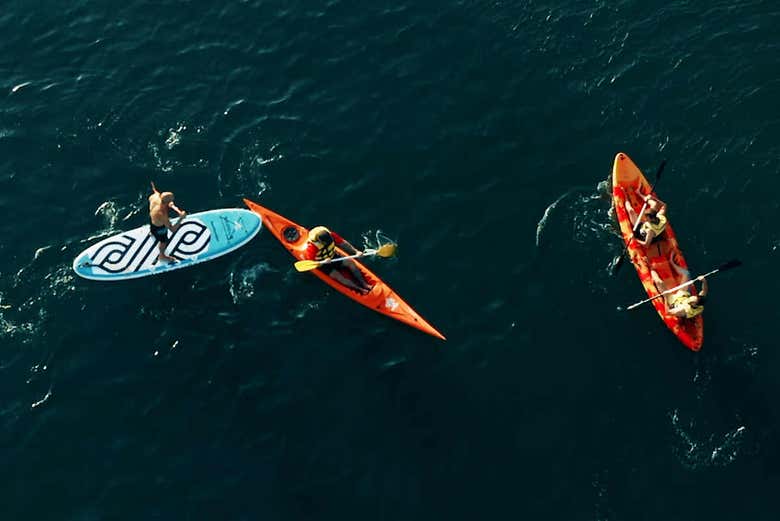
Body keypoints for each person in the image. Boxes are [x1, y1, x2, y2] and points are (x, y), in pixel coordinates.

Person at [304, 226, 373, 294]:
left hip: (333, 256)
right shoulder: (312, 247)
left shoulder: (331, 235)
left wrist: (356, 251)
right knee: (338, 276)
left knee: (350, 263)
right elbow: (311, 262)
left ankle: (364, 284)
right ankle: (359, 289)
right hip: (322, 264)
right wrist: (322, 262)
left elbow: (343, 243)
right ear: (320, 241)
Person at [650, 251, 708, 319]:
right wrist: (703, 280)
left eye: (692, 300)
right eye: (694, 297)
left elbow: (668, 312)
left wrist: (665, 297)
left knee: (659, 282)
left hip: (673, 301)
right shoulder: (699, 301)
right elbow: (704, 290)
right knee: (686, 274)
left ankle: (651, 269)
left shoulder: (683, 310)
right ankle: (672, 262)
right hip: (683, 295)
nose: (692, 298)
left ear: (694, 304)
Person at [148, 182, 187, 262]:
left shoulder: (155, 197)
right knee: (164, 241)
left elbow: (155, 190)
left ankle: (152, 233)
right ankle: (162, 256)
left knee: (153, 228)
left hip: (153, 221)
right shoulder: (162, 214)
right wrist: (181, 218)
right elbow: (172, 229)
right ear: (166, 202)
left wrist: (171, 205)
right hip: (160, 228)